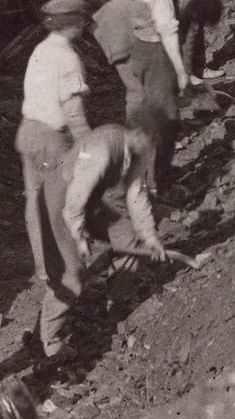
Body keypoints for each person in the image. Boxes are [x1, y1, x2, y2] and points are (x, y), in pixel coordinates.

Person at [35, 110, 171, 358]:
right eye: (150, 140)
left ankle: (116, 303)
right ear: (137, 133)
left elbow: (136, 194)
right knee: (70, 274)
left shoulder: (138, 151)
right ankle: (49, 341)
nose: (152, 148)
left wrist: (150, 236)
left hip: (88, 199)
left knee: (129, 237)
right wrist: (79, 237)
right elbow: (74, 202)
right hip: (60, 199)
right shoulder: (102, 149)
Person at [16, 0, 92, 357]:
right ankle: (52, 340)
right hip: (51, 142)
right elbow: (74, 113)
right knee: (61, 226)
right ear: (73, 23)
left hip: (29, 134)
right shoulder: (67, 58)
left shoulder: (41, 50)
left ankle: (51, 278)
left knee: (42, 220)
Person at [91, 0, 192, 187]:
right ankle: (157, 178)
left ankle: (135, 171)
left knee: (139, 107)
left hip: (138, 48)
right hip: (155, 50)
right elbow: (167, 28)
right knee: (165, 115)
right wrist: (180, 68)